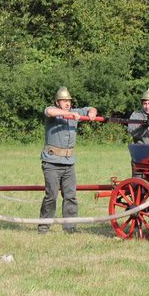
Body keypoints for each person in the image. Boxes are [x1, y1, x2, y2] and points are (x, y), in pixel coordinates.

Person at [39, 87, 97, 234]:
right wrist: (69, 114)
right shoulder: (53, 111)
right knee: (51, 196)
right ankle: (44, 227)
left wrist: (91, 114)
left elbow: (92, 108)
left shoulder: (76, 112)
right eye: (64, 101)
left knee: (70, 196)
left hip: (69, 163)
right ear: (58, 102)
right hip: (51, 162)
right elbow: (49, 111)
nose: (67, 103)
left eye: (69, 101)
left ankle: (70, 228)